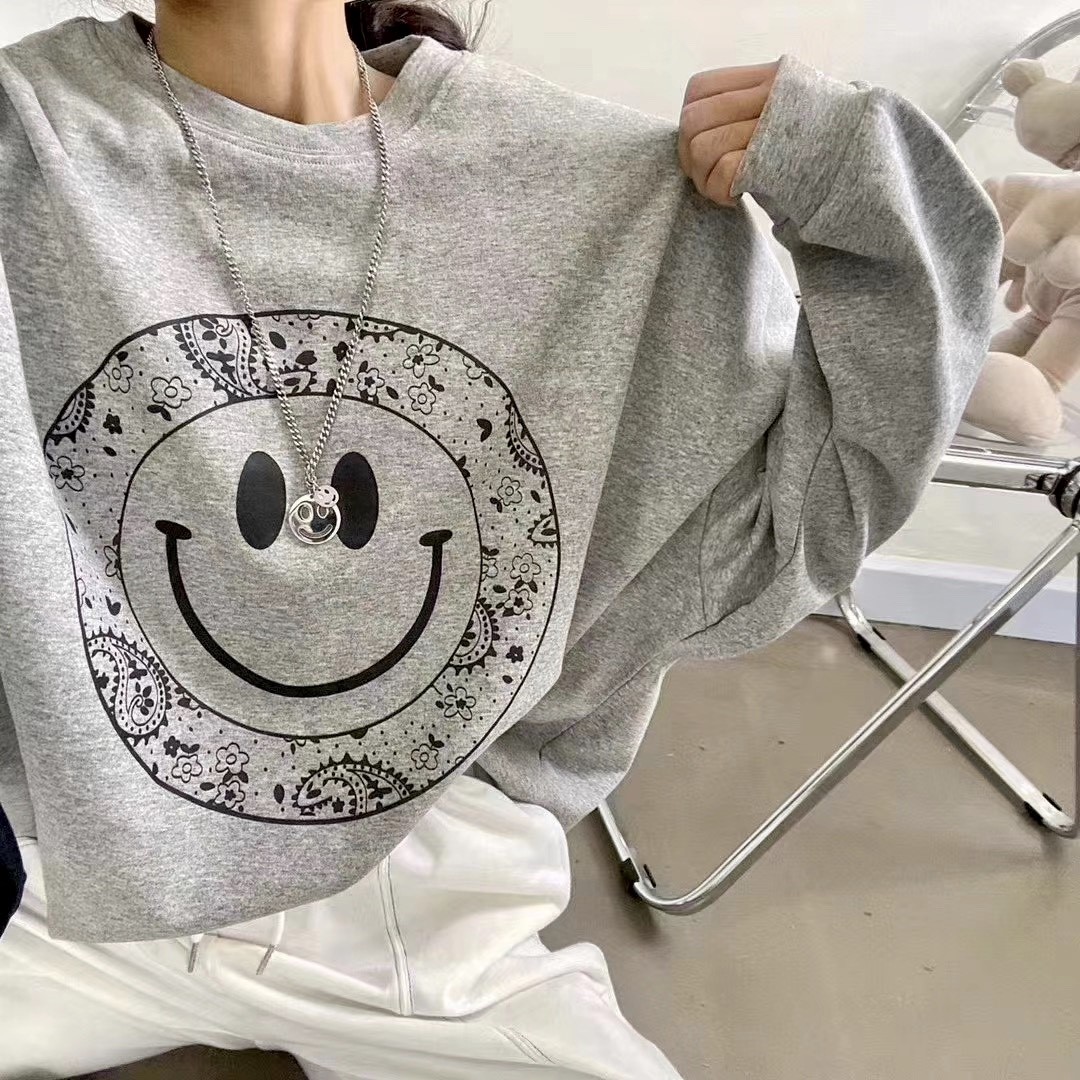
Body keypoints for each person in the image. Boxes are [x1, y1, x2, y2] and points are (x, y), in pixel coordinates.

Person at [0, 1, 1001, 1077]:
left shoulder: (588, 191)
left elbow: (811, 517)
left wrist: (870, 189)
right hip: (59, 882)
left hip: (426, 908)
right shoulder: (30, 139)